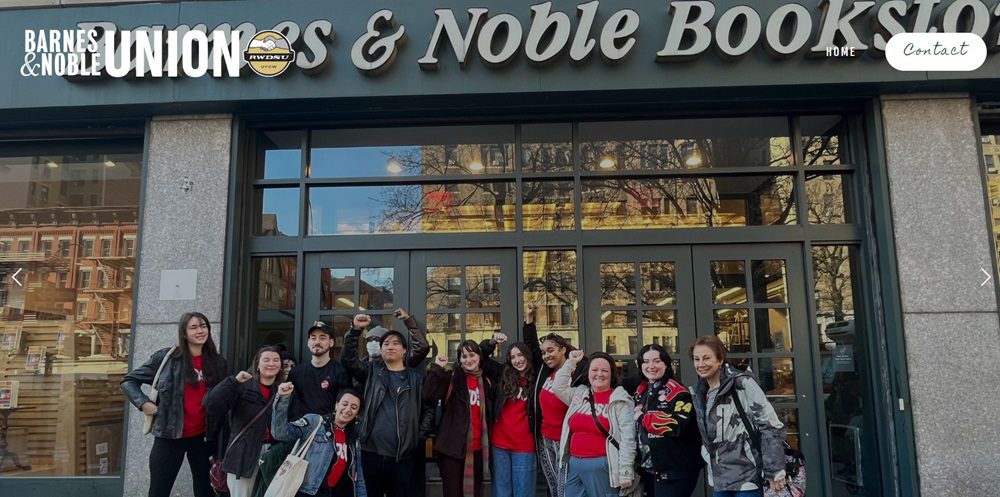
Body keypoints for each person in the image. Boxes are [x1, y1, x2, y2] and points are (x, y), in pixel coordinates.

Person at [121, 312, 227, 497]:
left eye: (203, 326)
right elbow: (128, 381)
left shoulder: (217, 363)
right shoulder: (166, 358)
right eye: (193, 327)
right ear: (184, 333)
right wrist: (144, 403)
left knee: (206, 490)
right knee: (159, 490)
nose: (200, 331)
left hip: (204, 437)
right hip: (169, 436)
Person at [342, 311, 435, 497]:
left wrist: (418, 436)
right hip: (371, 452)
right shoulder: (370, 372)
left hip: (402, 456)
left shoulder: (417, 378)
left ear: (404, 350)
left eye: (395, 343)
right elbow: (349, 361)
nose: (389, 347)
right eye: (385, 344)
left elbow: (429, 409)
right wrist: (354, 331)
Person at [689, 336, 787, 497]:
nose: (701, 364)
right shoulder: (700, 392)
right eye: (696, 359)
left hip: (747, 477)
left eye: (706, 358)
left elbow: (769, 425)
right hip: (719, 478)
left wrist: (775, 470)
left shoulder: (742, 383)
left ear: (720, 359)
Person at [424, 340, 503, 497]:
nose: (468, 360)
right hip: (452, 450)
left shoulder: (487, 382)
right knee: (453, 493)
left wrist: (492, 342)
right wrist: (437, 368)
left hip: (479, 449)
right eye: (464, 356)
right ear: (459, 359)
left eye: (472, 355)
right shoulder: (452, 378)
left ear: (479, 357)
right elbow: (428, 394)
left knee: (475, 492)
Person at [552, 350, 636, 497]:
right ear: (588, 373)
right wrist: (571, 362)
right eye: (594, 370)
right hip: (575, 463)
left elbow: (628, 438)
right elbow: (558, 387)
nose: (599, 374)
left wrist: (625, 471)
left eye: (605, 370)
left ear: (612, 374)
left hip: (601, 465)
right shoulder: (580, 393)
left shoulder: (620, 400)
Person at [202, 346, 284, 497]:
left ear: (280, 366)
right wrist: (234, 381)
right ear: (257, 365)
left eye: (276, 360)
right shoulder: (242, 386)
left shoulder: (282, 390)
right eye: (266, 360)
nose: (271, 363)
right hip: (243, 455)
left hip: (272, 455)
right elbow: (211, 404)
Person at [525, 304, 588, 497]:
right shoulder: (546, 372)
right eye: (544, 352)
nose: (546, 356)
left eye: (551, 350)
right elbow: (531, 347)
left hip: (567, 440)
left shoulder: (578, 371)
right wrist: (529, 320)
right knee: (554, 487)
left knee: (567, 487)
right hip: (545, 438)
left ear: (563, 350)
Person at [271, 383, 368, 497]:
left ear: (357, 414)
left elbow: (358, 477)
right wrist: (282, 398)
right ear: (336, 405)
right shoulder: (314, 422)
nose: (348, 410)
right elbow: (280, 434)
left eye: (354, 407)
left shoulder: (353, 440)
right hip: (303, 491)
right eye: (344, 404)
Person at [632, 344, 703, 497]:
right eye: (646, 361)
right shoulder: (641, 390)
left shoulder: (676, 390)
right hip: (649, 470)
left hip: (675, 471)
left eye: (656, 361)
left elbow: (680, 424)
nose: (651, 366)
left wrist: (644, 418)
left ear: (666, 363)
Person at [488, 337, 539, 497]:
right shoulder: (503, 375)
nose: (517, 360)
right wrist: (492, 343)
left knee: (523, 491)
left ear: (527, 355)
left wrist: (529, 321)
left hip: (524, 446)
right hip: (499, 444)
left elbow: (535, 348)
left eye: (520, 355)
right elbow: (481, 357)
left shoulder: (538, 378)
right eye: (513, 357)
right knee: (501, 491)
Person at [288, 320, 353, 419]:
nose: (317, 342)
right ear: (308, 343)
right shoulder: (296, 373)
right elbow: (291, 404)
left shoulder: (340, 372)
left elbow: (343, 404)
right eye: (313, 338)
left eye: (322, 338)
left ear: (331, 343)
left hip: (329, 428)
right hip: (301, 428)